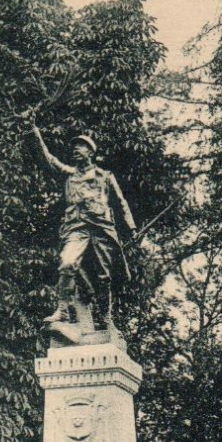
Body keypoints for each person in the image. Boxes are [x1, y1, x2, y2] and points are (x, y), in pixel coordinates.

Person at [26, 118, 138, 331]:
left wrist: (131, 227)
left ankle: (105, 317)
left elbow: (121, 202)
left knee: (104, 277)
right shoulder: (68, 175)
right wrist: (33, 131)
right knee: (67, 263)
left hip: (101, 228)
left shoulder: (104, 177)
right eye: (74, 146)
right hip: (76, 228)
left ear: (91, 152)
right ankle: (63, 310)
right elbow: (47, 159)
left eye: (81, 146)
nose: (76, 149)